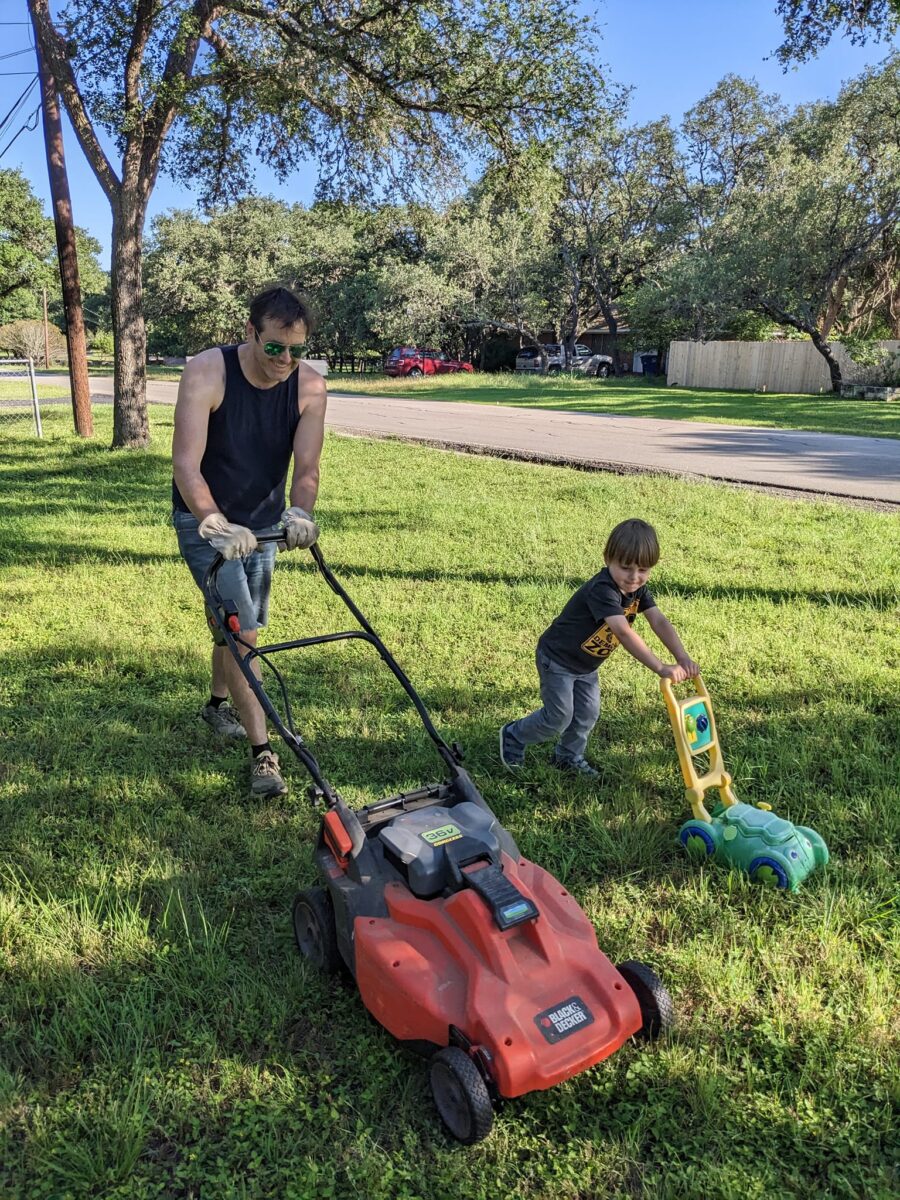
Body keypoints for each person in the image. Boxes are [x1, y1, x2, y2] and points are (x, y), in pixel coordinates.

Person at [171, 285, 327, 798]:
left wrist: (300, 510)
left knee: (238, 625)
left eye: (297, 350)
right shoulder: (207, 371)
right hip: (205, 520)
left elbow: (306, 467)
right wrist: (214, 522)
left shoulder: (309, 387)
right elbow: (186, 466)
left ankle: (217, 707)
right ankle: (264, 753)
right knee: (245, 634)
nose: (286, 360)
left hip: (263, 526)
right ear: (249, 332)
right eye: (275, 347)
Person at [499, 518, 699, 778]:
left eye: (644, 570)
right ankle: (513, 735)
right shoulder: (603, 589)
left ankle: (568, 757)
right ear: (608, 559)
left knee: (586, 715)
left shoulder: (638, 590)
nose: (634, 577)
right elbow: (623, 633)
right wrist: (660, 667)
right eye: (626, 567)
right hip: (558, 659)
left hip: (586, 666)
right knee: (558, 717)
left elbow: (658, 621)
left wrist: (682, 658)